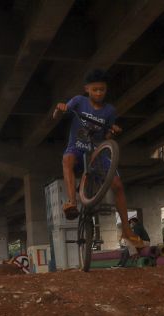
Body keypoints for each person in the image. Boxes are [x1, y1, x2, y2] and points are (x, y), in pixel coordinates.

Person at [53, 69, 144, 252]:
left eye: (102, 90)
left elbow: (107, 134)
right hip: (77, 147)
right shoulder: (79, 101)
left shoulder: (110, 111)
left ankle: (126, 231)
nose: (99, 93)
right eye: (95, 90)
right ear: (87, 89)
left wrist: (114, 131)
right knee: (67, 159)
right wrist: (59, 109)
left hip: (98, 152)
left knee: (118, 185)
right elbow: (57, 116)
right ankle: (72, 201)